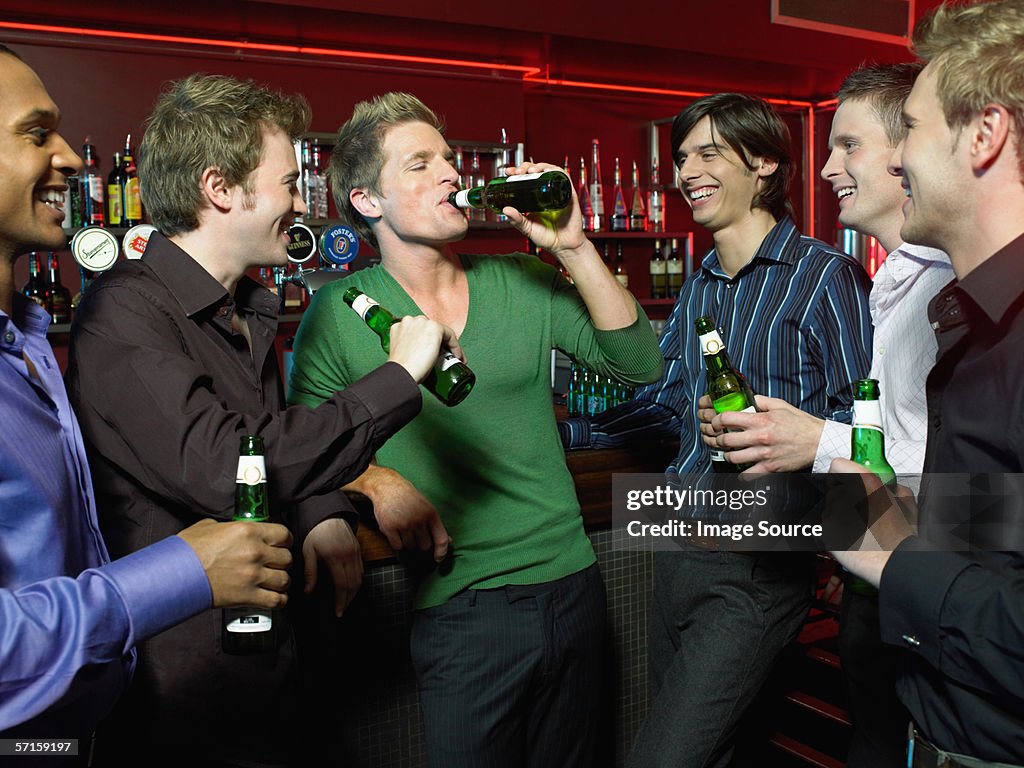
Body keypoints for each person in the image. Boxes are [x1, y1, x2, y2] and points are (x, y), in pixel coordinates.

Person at [65, 75, 461, 766]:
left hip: (277, 661)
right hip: (186, 685)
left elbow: (274, 438)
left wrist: (320, 510)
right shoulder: (122, 315)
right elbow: (229, 465)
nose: (302, 203)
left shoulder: (249, 308)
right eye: (287, 184)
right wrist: (398, 377)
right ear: (221, 190)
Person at [286, 91, 664, 767]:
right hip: (463, 608)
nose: (452, 173)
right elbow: (299, 443)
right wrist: (372, 479)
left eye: (451, 159)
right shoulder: (341, 311)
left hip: (573, 583)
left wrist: (573, 245)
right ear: (368, 201)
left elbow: (637, 363)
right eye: (420, 163)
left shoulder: (521, 280)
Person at [559, 93, 873, 768]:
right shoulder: (700, 282)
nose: (686, 171)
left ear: (763, 164)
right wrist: (561, 431)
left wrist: (799, 437)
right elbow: (668, 400)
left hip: (760, 567)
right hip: (678, 548)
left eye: (708, 153)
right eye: (680, 158)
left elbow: (870, 422)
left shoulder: (824, 277)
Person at [0, 45, 295, 754]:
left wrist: (337, 496)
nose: (70, 157)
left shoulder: (28, 345)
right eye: (36, 134)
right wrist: (179, 575)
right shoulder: (124, 311)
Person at [699, 63, 953, 768]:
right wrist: (848, 554)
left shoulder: (950, 286)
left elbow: (966, 476)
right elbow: (895, 438)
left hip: (938, 586)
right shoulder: (896, 279)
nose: (828, 167)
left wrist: (814, 441)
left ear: (909, 151)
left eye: (849, 146)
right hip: (883, 580)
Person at [830, 1, 1024, 765]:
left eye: (908, 128)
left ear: (984, 135)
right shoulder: (975, 322)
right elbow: (1002, 541)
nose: (894, 158)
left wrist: (892, 556)